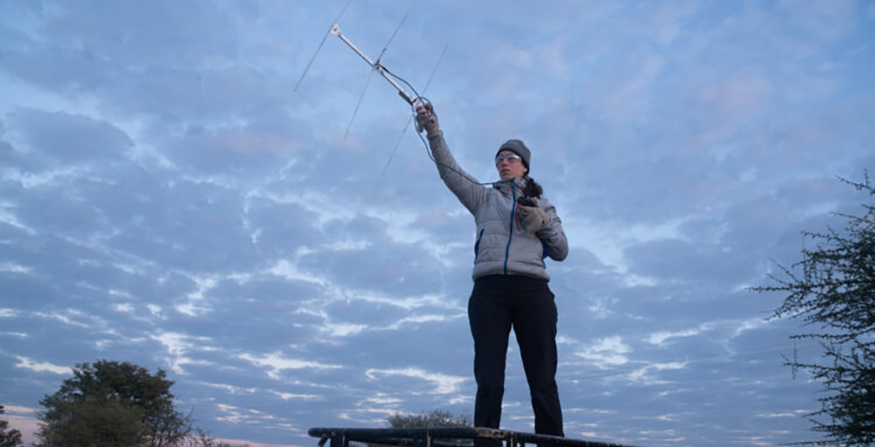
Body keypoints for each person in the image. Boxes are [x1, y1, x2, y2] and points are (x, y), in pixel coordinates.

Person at [416, 103, 568, 444]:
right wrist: (434, 132)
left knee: (542, 378)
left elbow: (561, 251)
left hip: (533, 292)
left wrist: (542, 225)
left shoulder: (543, 205)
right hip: (489, 292)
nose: (503, 162)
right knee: (489, 379)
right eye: (499, 157)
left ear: (525, 165)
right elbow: (449, 171)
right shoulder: (483, 199)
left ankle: (553, 442)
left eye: (511, 157)